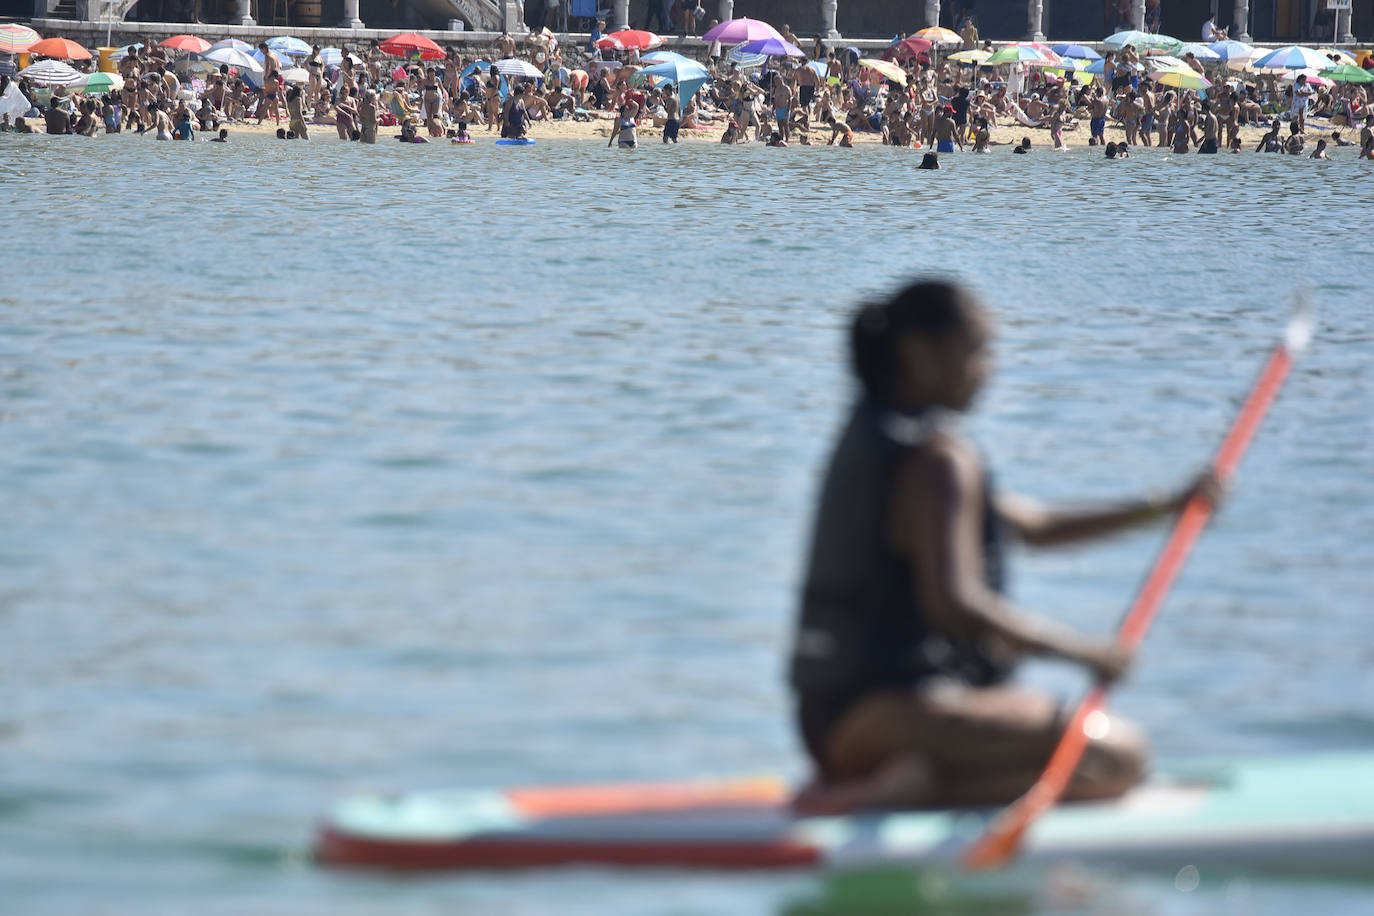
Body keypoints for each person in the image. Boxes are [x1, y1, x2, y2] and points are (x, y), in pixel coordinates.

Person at [788, 280, 1218, 815]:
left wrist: (1166, 507)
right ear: (918, 353)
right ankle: (909, 792)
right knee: (1121, 756)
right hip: (889, 715)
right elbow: (956, 603)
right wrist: (1083, 651)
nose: (988, 367)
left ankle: (910, 775)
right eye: (977, 349)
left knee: (1083, 754)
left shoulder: (880, 439)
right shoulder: (939, 463)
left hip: (827, 722)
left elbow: (1036, 526)